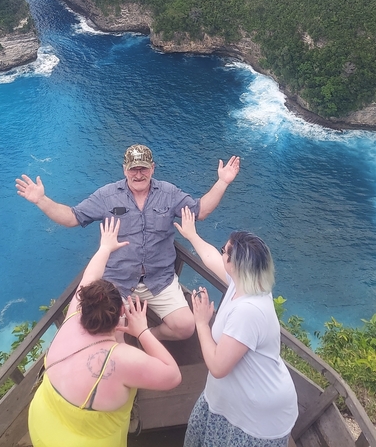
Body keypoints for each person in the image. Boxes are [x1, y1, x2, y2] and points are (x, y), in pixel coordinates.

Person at [16, 144, 240, 340]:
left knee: (185, 327)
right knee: (112, 333)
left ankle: (146, 336)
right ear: (125, 170)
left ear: (153, 168)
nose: (139, 174)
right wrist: (41, 201)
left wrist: (222, 182)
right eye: (133, 168)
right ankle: (125, 360)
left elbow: (199, 211)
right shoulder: (107, 196)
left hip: (160, 280)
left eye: (143, 168)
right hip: (118, 282)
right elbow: (73, 217)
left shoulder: (169, 194)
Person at [28, 217, 182, 447]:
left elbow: (90, 276)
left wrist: (105, 247)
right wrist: (141, 331)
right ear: (123, 311)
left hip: (42, 420)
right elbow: (173, 376)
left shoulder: (72, 317)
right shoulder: (120, 359)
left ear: (84, 306)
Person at [174, 208, 298, 447]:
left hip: (257, 418)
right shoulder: (246, 283)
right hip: (228, 404)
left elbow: (219, 366)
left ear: (235, 264)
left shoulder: (249, 310)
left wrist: (201, 323)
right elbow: (210, 259)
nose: (221, 253)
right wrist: (192, 235)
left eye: (225, 251)